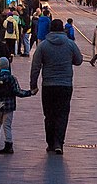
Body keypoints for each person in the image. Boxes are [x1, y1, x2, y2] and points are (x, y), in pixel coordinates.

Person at [30, 19, 83, 154]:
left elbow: (35, 66)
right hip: (65, 85)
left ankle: (50, 143)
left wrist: (33, 85)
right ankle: (59, 142)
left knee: (49, 115)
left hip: (48, 85)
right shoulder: (70, 44)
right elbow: (79, 61)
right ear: (62, 29)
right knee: (62, 114)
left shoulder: (43, 45)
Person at [0, 57, 31, 154]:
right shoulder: (11, 78)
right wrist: (29, 93)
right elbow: (17, 91)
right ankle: (8, 144)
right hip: (9, 106)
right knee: (7, 125)